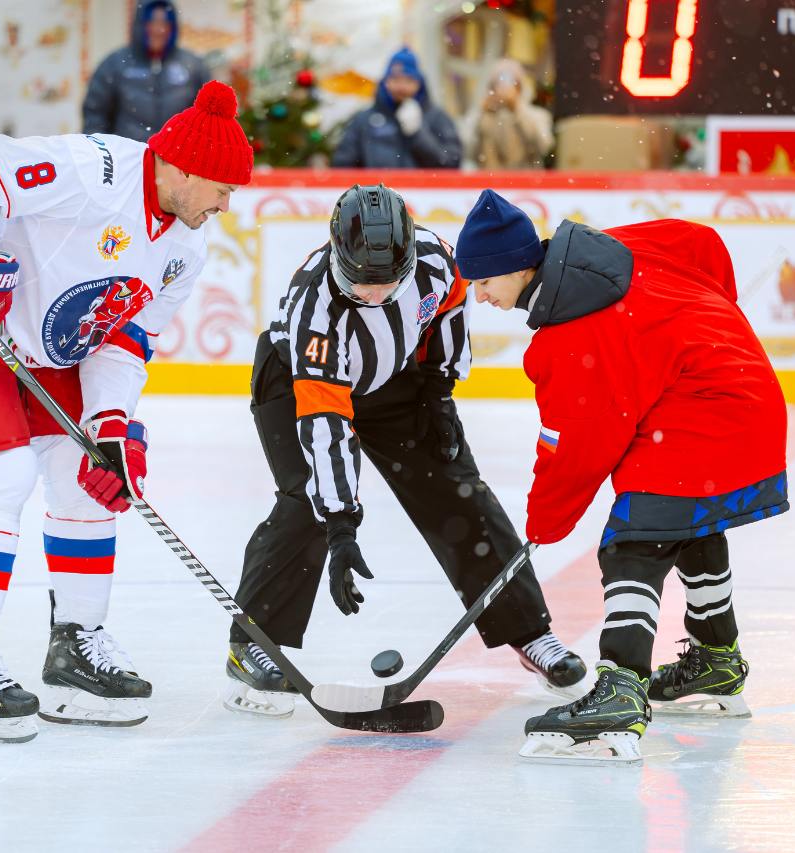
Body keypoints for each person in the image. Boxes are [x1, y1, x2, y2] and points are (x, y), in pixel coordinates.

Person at [0, 82, 252, 743]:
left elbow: (124, 338)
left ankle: (75, 648)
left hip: (46, 350)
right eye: (223, 189)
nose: (227, 205)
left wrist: (110, 422)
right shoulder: (93, 172)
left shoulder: (185, 248)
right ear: (184, 170)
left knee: (92, 475)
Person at [223, 184, 586, 719]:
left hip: (395, 378)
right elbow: (326, 421)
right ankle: (254, 641)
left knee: (459, 491)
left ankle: (529, 632)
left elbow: (450, 310)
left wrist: (438, 392)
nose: (373, 295)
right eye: (359, 284)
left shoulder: (438, 259)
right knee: (306, 504)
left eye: (387, 284)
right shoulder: (314, 311)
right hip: (298, 384)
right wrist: (342, 523)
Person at [456, 190, 789, 765]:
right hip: (744, 390)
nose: (479, 298)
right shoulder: (613, 250)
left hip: (704, 409)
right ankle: (716, 660)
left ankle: (619, 690)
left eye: (483, 283)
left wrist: (545, 521)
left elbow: (577, 446)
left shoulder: (572, 335)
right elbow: (698, 242)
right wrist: (711, 321)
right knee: (690, 525)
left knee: (634, 543)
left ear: (517, 266)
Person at [82, 0, 210, 142]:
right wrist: (99, 149)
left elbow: (208, 118)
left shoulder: (192, 65)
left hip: (177, 158)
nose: (158, 29)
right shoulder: (115, 64)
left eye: (164, 23)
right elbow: (95, 114)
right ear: (140, 25)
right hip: (129, 158)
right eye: (152, 22)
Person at [331, 47, 461, 170]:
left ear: (419, 83)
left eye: (409, 80)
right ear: (385, 82)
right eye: (395, 80)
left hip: (420, 193)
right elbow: (343, 164)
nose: (401, 87)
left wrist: (417, 134)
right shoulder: (364, 120)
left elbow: (451, 163)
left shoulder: (437, 118)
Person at [461, 59, 553, 171]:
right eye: (496, 85)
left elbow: (544, 146)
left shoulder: (538, 115)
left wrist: (516, 109)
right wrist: (482, 115)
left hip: (526, 184)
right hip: (490, 183)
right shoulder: (482, 116)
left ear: (520, 88)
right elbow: (467, 151)